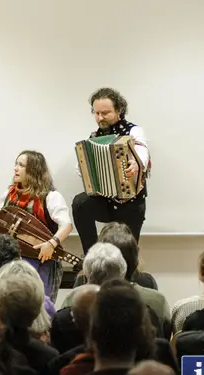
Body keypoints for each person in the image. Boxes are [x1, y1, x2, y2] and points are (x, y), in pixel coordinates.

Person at [0, 150, 73, 302]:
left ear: (33, 170)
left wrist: (51, 244)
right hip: (7, 259)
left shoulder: (51, 197)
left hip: (38, 260)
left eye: (21, 165)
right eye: (16, 164)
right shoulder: (8, 194)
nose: (15, 168)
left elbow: (66, 225)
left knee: (35, 306)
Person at [71, 87, 150, 256]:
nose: (100, 118)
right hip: (105, 202)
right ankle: (91, 256)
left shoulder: (134, 131)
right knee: (80, 203)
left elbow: (142, 151)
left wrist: (136, 164)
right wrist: (84, 169)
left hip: (130, 203)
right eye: (97, 113)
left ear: (119, 110)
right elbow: (82, 167)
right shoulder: (93, 137)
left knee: (127, 253)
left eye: (105, 113)